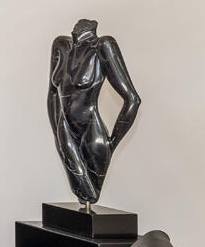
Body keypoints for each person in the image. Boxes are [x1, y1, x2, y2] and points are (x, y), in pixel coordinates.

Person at [47, 19, 139, 207]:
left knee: (90, 193)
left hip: (91, 134)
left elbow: (132, 99)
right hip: (64, 130)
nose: (79, 24)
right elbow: (52, 93)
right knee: (82, 191)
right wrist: (57, 132)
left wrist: (112, 144)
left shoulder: (103, 46)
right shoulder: (61, 46)